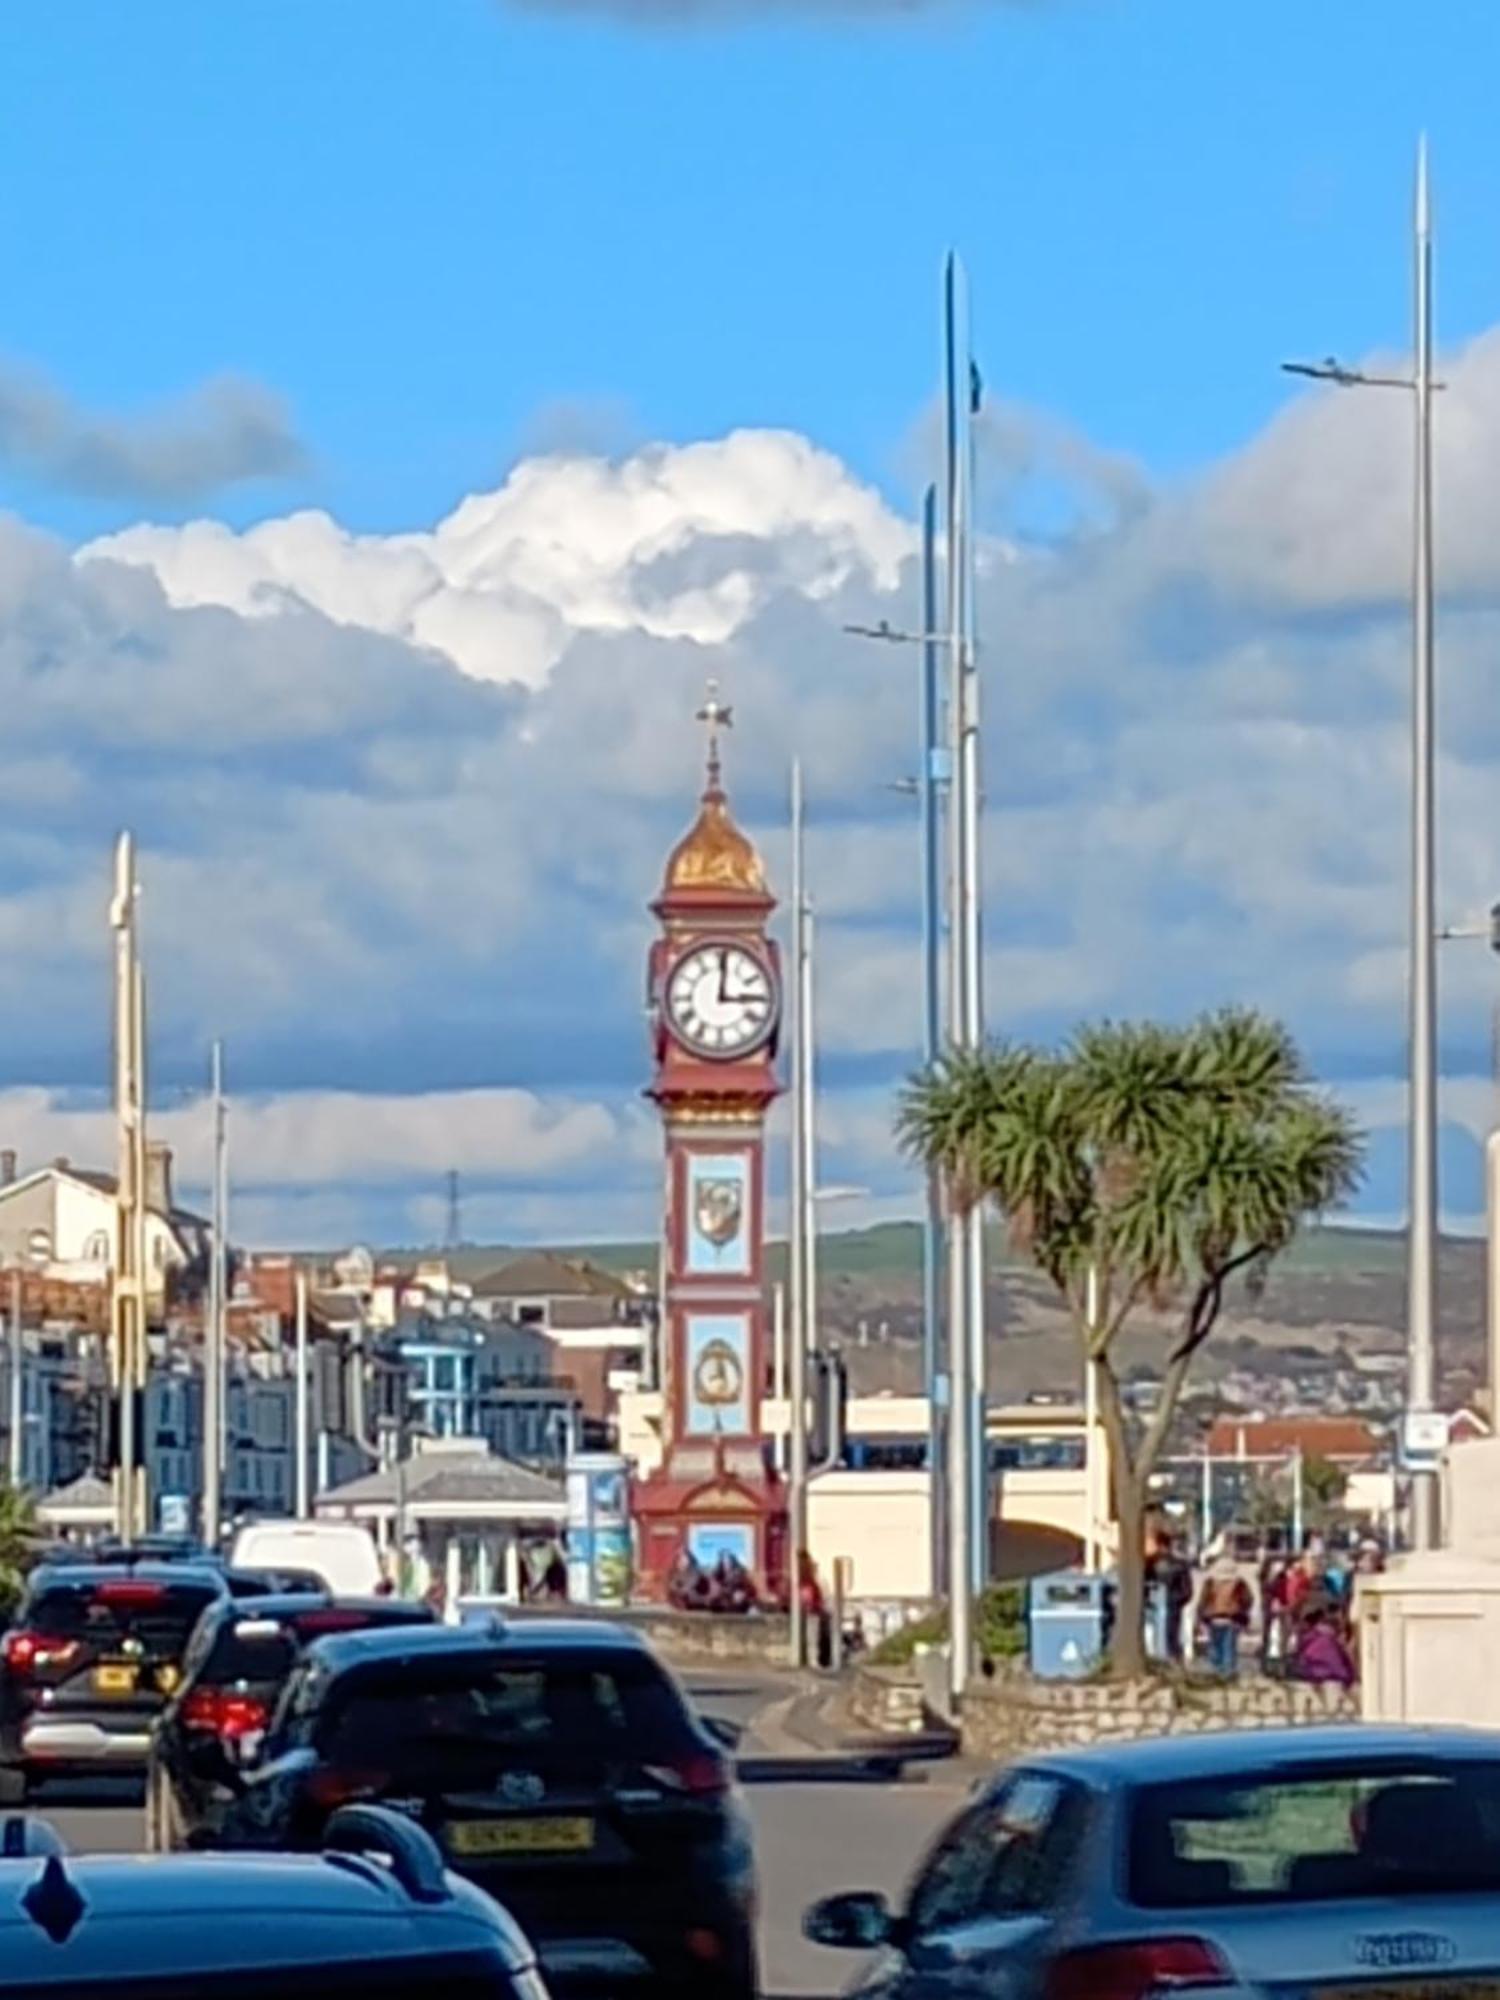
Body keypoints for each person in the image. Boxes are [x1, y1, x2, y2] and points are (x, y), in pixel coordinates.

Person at [1196, 1553, 1252, 1676]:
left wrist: (1199, 1617)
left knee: (1215, 1646)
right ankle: (1228, 1671)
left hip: (1213, 1618)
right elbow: (1247, 1600)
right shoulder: (1239, 1583)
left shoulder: (1210, 1583)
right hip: (1232, 1619)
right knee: (1229, 1647)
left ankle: (1216, 1669)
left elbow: (1203, 1600)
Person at [1291, 1602, 1356, 1688]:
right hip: (1331, 1685)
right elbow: (1342, 1672)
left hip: (1311, 1681)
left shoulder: (1309, 1641)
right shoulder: (1327, 1642)